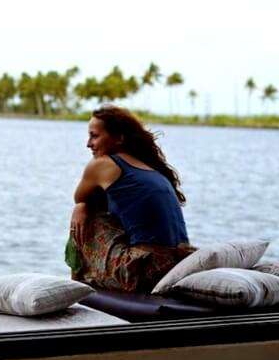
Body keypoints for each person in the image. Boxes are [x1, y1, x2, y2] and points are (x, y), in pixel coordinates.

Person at [69, 105, 193, 292]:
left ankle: (78, 283)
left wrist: (81, 207)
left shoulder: (103, 165)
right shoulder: (152, 169)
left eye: (94, 136)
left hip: (145, 272)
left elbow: (79, 197)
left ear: (119, 138)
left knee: (87, 216)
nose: (88, 143)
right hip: (179, 264)